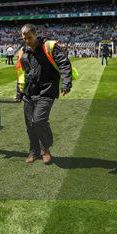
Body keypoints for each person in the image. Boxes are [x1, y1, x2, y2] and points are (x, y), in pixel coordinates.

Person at [15, 23, 72, 165]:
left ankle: (45, 149)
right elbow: (22, 74)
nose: (27, 40)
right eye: (24, 38)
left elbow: (64, 64)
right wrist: (19, 93)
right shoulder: (23, 51)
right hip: (29, 93)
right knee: (30, 125)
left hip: (47, 91)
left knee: (39, 120)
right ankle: (33, 151)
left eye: (29, 37)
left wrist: (66, 84)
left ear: (35, 34)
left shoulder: (49, 47)